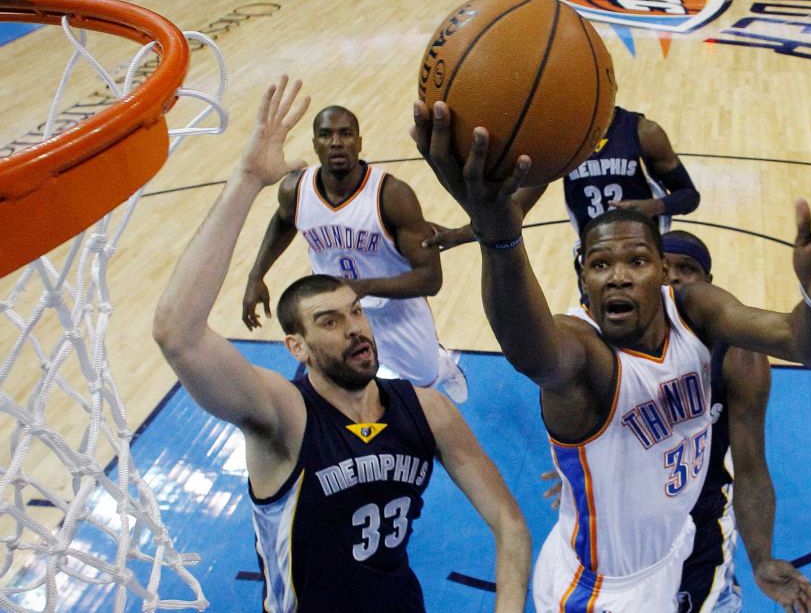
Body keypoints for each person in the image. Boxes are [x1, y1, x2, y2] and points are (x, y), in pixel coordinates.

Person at [412, 99, 811, 612]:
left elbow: (803, 344)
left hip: (675, 555)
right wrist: (497, 234)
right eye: (600, 264)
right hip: (596, 594)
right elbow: (530, 349)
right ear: (582, 279)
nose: (619, 274)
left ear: (663, 274)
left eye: (638, 260)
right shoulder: (582, 352)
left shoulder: (695, 311)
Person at [154, 78, 532, 612]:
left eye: (353, 315)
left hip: (401, 604)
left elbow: (511, 523)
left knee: (425, 368)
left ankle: (442, 360)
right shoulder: (281, 419)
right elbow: (177, 333)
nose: (354, 327)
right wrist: (245, 182)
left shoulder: (429, 410)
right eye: (329, 322)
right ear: (296, 348)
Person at [543, 229, 811, 613]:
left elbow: (752, 467)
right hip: (630, 540)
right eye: (665, 268)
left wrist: (761, 557)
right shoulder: (610, 344)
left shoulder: (739, 356)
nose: (672, 279)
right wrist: (581, 475)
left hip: (702, 521)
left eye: (686, 270)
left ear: (708, 285)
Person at [242, 99, 468, 402]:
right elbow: (284, 221)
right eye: (326, 135)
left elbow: (430, 280)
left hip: (395, 310)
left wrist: (361, 288)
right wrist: (257, 274)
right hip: (333, 310)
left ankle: (442, 365)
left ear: (359, 142)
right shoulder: (295, 190)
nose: (336, 142)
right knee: (329, 387)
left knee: (423, 383)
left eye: (346, 133)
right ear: (314, 144)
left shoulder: (392, 196)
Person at [425, 105, 699, 251]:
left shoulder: (643, 132)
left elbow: (690, 197)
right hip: (595, 254)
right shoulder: (564, 142)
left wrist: (652, 207)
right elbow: (514, 211)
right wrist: (460, 235)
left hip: (644, 248)